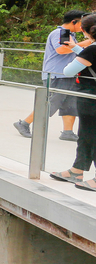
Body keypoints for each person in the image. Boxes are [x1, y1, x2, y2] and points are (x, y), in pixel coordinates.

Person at [14, 10, 89, 140]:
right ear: (74, 22)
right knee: (50, 103)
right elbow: (62, 49)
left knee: (70, 104)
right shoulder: (62, 32)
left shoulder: (70, 34)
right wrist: (86, 43)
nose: (83, 27)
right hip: (56, 75)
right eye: (82, 23)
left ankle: (68, 132)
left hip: (67, 75)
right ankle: (24, 123)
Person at [49, 13, 96, 186]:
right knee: (85, 134)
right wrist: (76, 48)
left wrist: (76, 52)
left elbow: (69, 70)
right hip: (90, 96)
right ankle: (77, 170)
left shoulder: (92, 49)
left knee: (92, 135)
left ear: (85, 30)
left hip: (89, 96)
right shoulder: (91, 49)